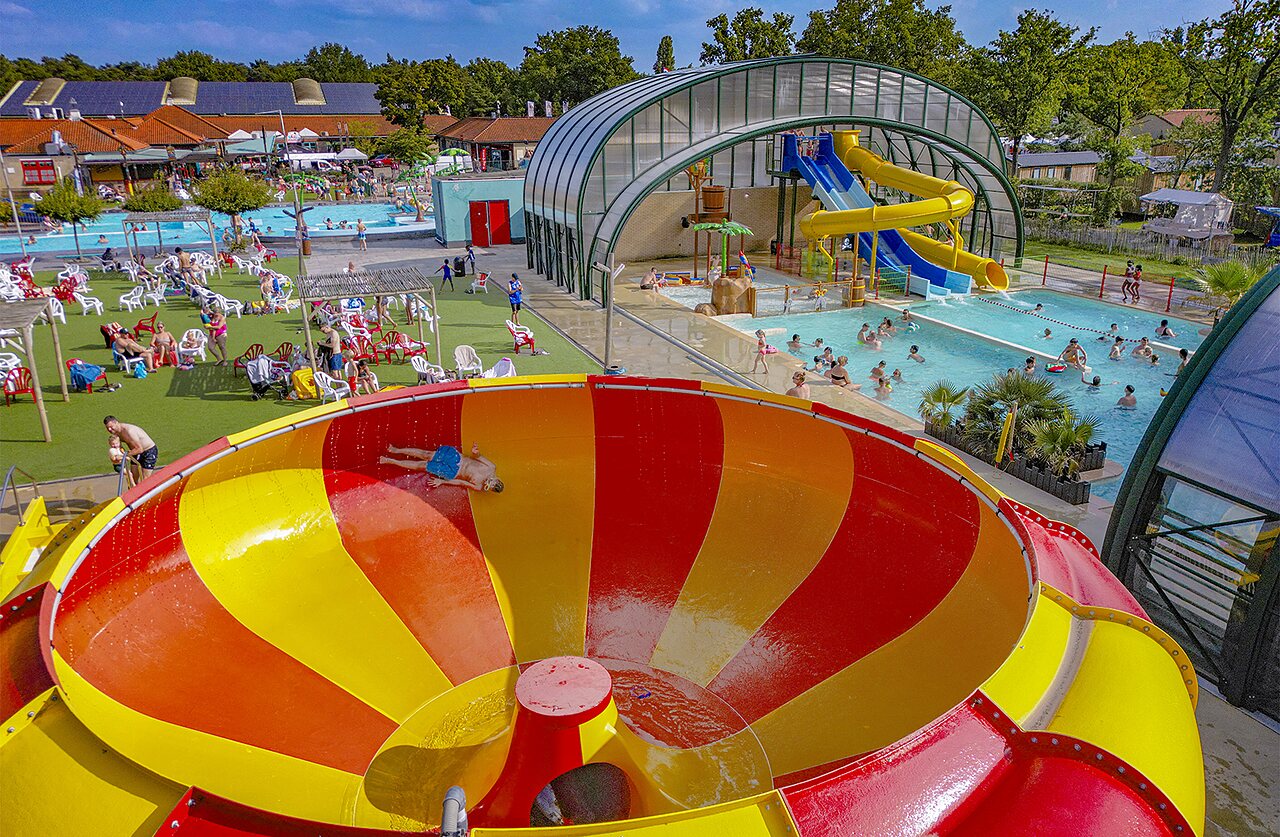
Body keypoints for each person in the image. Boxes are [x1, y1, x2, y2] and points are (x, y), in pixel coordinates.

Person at [379, 442, 504, 493]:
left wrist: (442, 481)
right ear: (496, 479)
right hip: (457, 459)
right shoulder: (491, 467)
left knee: (422, 466)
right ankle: (396, 450)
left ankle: (390, 461)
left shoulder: (478, 486)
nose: (488, 483)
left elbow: (460, 482)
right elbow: (478, 456)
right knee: (426, 454)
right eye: (492, 482)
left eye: (490, 487)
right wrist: (475, 452)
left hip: (452, 473)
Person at [104, 415, 159, 481]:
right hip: (134, 452)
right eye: (107, 428)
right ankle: (135, 490)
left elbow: (140, 449)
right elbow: (120, 448)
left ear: (116, 423)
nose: (109, 429)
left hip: (148, 451)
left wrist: (124, 456)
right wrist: (116, 458)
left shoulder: (129, 431)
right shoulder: (115, 433)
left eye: (111, 427)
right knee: (132, 478)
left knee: (145, 479)